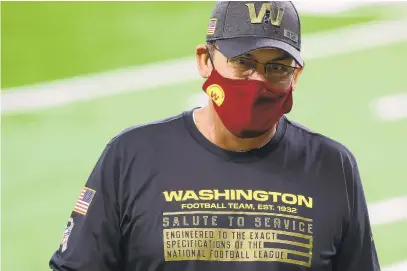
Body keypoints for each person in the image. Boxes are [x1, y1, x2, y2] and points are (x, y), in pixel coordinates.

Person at [49, 1, 381, 270]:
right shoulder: (132, 157)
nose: (257, 81)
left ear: (296, 76)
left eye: (276, 68)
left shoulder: (333, 167)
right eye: (243, 62)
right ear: (205, 61)